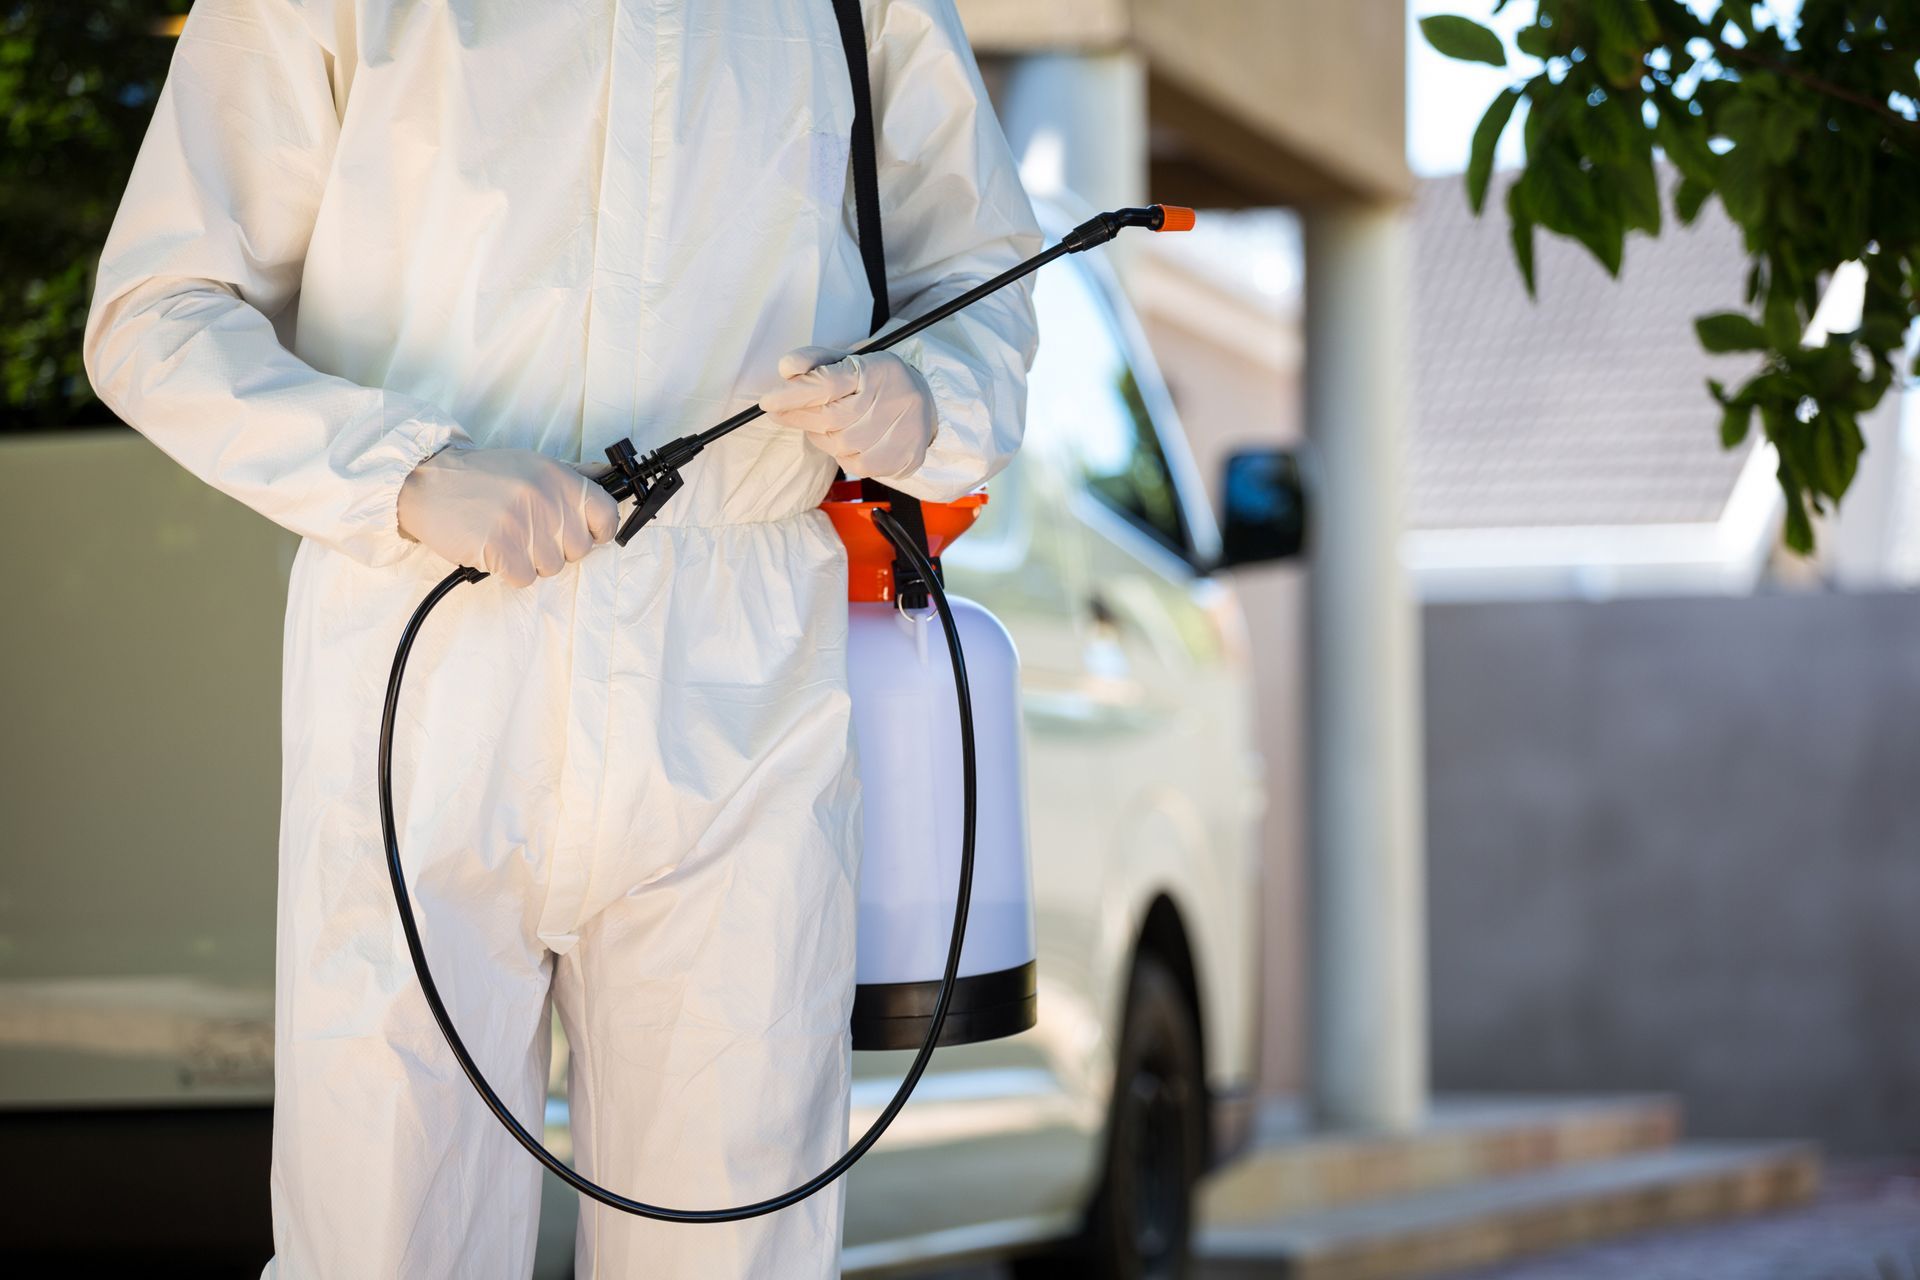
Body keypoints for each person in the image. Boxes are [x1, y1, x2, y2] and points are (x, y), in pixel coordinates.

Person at [82, 1, 1040, 1275]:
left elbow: (980, 277)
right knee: (384, 1245)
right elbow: (156, 311)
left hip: (739, 681)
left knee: (734, 1251)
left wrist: (923, 394)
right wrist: (405, 476)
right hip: (423, 659)